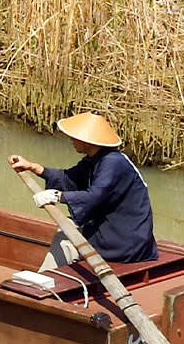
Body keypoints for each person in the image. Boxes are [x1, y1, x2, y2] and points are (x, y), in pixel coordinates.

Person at [10, 112, 156, 271]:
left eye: (74, 138)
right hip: (117, 234)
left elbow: (94, 196)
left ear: (87, 141)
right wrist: (34, 167)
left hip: (126, 242)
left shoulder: (113, 163)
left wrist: (57, 196)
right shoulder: (96, 159)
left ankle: (45, 281)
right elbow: (68, 179)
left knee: (66, 237)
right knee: (68, 227)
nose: (71, 141)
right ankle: (55, 275)